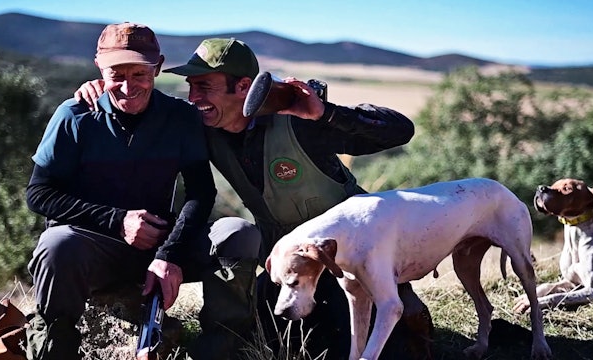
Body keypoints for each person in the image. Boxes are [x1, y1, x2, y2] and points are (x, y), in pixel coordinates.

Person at [76, 37, 429, 359]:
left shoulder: (300, 121)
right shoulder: (202, 126)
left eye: (203, 87)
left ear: (244, 86)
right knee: (263, 340)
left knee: (367, 347)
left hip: (351, 261)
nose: (193, 98)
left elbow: (401, 130)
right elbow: (138, 104)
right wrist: (103, 90)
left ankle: (404, 306)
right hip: (287, 266)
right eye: (190, 87)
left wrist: (327, 114)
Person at [25, 25, 260, 360]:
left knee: (238, 233)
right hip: (92, 252)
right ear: (98, 67)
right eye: (115, 74)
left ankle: (222, 349)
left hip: (159, 246)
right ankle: (54, 348)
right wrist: (118, 221)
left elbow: (200, 192)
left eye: (139, 73)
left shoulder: (181, 117)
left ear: (158, 67)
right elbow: (39, 194)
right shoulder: (74, 116)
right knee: (55, 243)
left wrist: (169, 255)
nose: (127, 85)